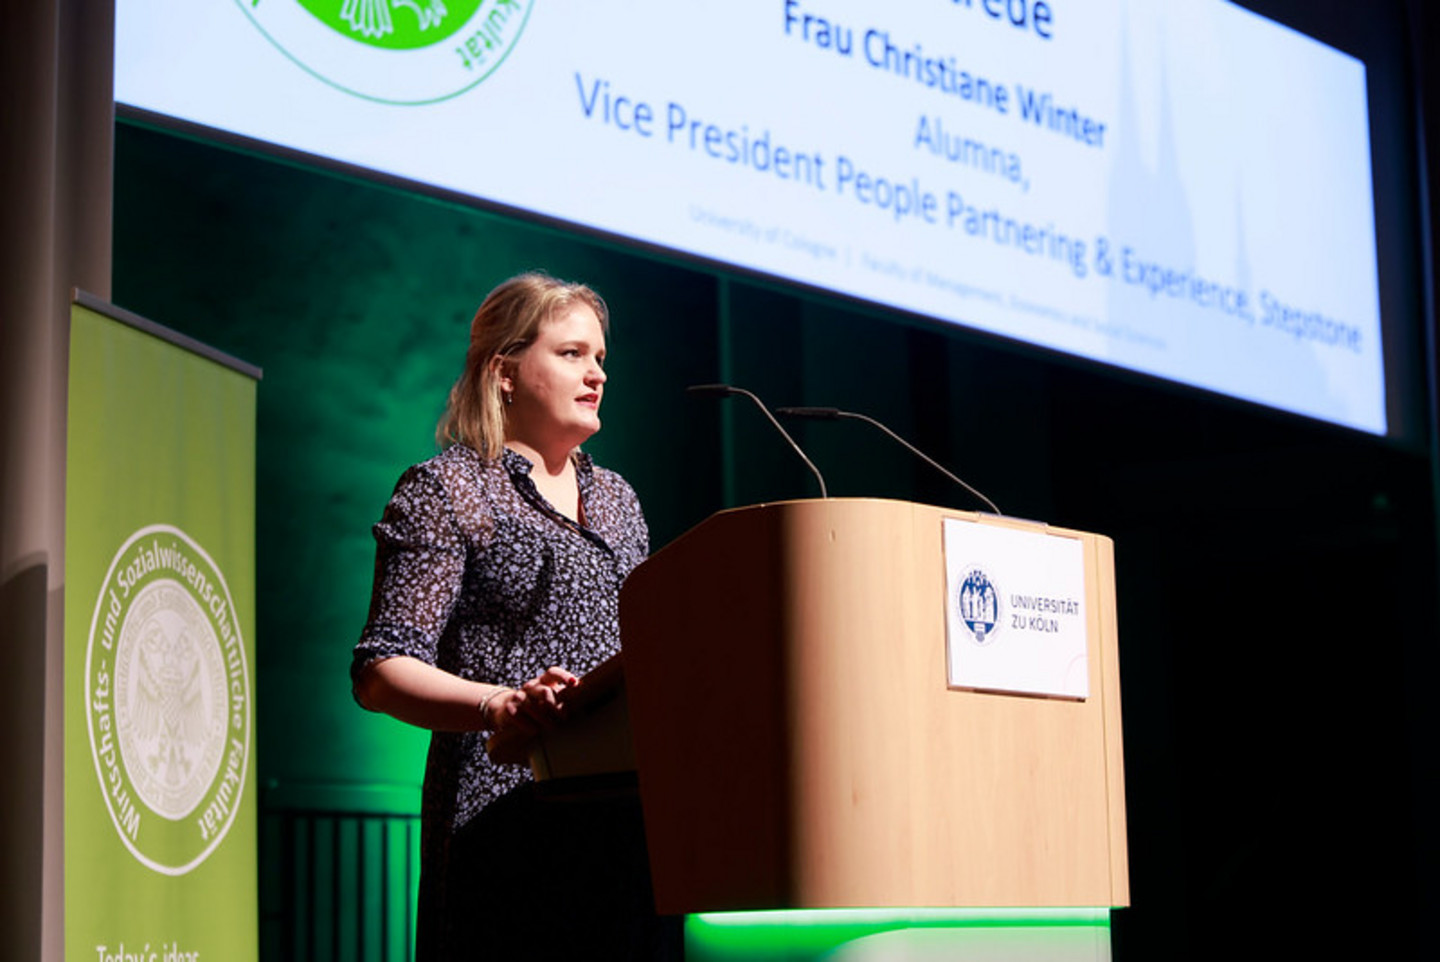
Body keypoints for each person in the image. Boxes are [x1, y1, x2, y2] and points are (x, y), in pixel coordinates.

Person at [350, 272, 672, 960]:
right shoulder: (448, 490)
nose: (596, 374)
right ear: (503, 372)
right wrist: (500, 704)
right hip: (502, 815)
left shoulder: (618, 500)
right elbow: (382, 668)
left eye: (601, 359)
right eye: (571, 354)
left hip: (620, 814)